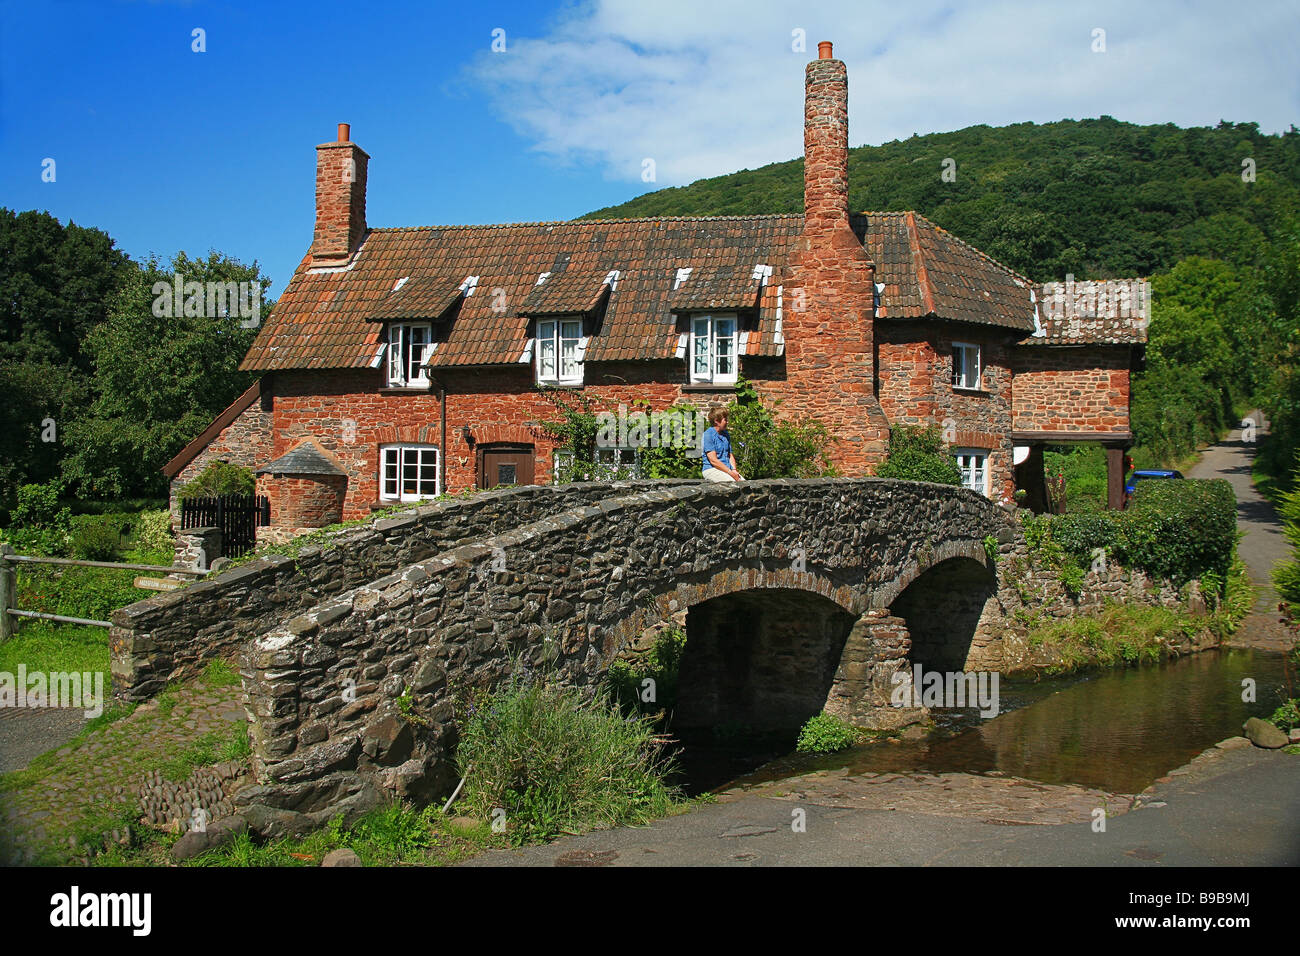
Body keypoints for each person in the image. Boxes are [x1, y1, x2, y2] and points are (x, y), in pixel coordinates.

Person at [701, 405, 744, 482]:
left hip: (727, 470)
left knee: (745, 485)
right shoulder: (708, 435)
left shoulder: (725, 434)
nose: (727, 422)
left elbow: (730, 455)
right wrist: (730, 473)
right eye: (725, 420)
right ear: (717, 421)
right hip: (712, 469)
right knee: (734, 484)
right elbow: (713, 460)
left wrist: (734, 470)